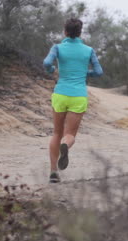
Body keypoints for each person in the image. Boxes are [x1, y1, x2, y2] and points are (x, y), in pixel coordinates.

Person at [43, 18, 103, 183]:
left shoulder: (58, 47)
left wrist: (52, 70)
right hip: (78, 95)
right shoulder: (89, 50)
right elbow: (99, 72)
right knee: (69, 135)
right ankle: (66, 146)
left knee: (56, 132)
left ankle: (53, 172)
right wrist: (85, 74)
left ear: (65, 31)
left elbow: (46, 62)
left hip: (60, 94)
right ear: (80, 32)